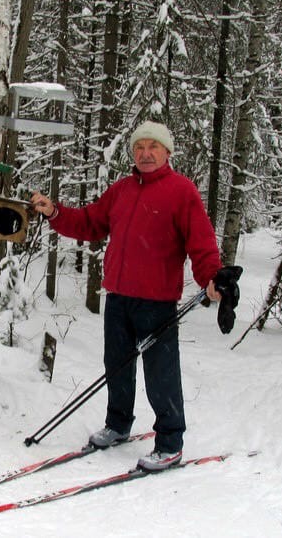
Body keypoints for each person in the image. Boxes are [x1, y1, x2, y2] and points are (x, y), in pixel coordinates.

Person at [30, 121, 223, 471]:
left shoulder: (182, 192)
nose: (145, 153)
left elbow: (202, 243)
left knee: (160, 375)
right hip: (118, 298)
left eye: (153, 147)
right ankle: (118, 425)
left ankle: (170, 443)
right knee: (117, 367)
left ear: (167, 153)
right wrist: (54, 212)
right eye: (139, 147)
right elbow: (90, 222)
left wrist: (212, 277)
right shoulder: (122, 191)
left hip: (156, 302)